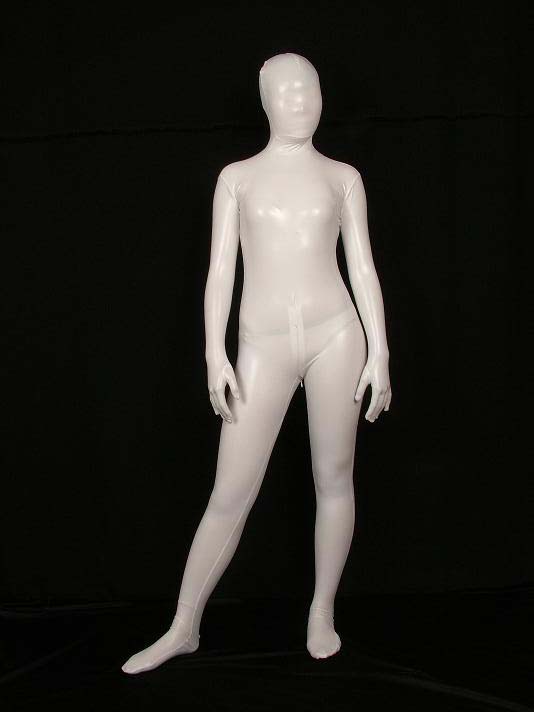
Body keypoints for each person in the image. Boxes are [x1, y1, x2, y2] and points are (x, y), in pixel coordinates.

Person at [122, 52, 391, 674]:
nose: (300, 100)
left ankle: (321, 610)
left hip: (336, 335)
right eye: (286, 90)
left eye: (310, 88)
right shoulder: (237, 178)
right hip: (262, 344)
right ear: (264, 101)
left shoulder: (343, 178)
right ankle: (184, 626)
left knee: (334, 476)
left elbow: (363, 266)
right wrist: (213, 352)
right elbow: (220, 271)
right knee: (230, 492)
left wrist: (380, 349)